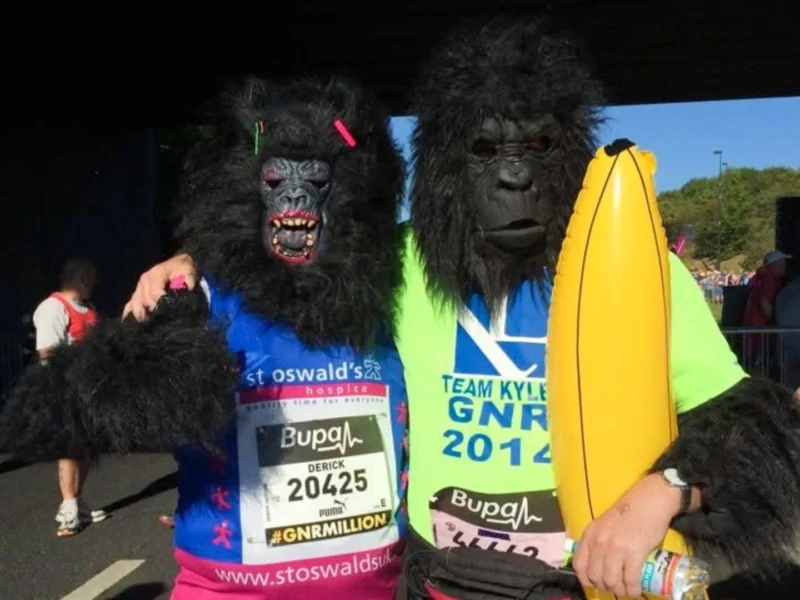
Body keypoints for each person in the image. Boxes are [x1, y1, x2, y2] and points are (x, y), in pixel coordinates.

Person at [123, 17, 800, 600]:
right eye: (486, 150)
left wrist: (666, 489)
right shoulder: (397, 263)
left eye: (536, 148)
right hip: (436, 580)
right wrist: (197, 262)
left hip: (584, 583)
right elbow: (283, 266)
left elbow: (747, 416)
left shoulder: (632, 270)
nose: (514, 176)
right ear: (445, 167)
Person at [1, 75, 407, 599]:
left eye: (316, 180)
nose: (296, 194)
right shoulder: (202, 298)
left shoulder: (392, 295)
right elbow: (47, 422)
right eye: (276, 179)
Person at [32, 258, 108, 536]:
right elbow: (47, 354)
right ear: (82, 279)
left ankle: (78, 501)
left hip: (87, 389)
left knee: (85, 448)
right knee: (68, 448)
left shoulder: (89, 309)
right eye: (92, 279)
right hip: (64, 388)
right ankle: (68, 509)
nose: (95, 284)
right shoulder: (53, 308)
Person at [744, 250, 791, 327]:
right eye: (783, 263)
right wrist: (774, 321)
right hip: (762, 325)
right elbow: (765, 302)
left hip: (752, 321)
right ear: (776, 264)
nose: (785, 266)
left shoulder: (758, 277)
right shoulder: (770, 278)